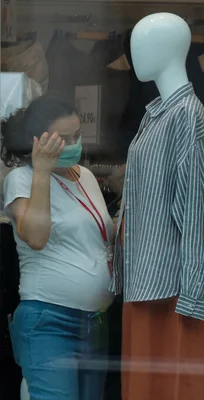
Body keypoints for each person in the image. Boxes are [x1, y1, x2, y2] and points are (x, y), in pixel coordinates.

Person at [1, 94, 114, 400]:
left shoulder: (86, 176)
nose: (73, 144)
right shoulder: (20, 180)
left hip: (95, 322)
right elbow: (36, 237)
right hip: (49, 321)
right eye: (63, 138)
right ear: (38, 140)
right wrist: (41, 170)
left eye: (77, 135)